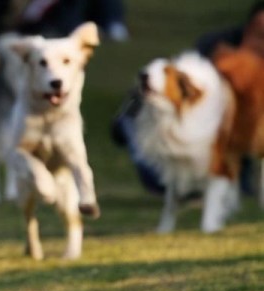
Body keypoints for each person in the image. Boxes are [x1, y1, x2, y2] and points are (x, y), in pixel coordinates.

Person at [112, 1, 264, 196]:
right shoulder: (216, 48)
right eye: (259, 33)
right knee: (161, 178)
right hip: (186, 134)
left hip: (230, 141)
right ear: (248, 27)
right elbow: (170, 84)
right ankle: (127, 123)